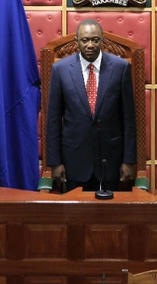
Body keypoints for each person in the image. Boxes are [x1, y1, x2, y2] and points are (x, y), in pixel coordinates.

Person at [46, 19, 137, 192]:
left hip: (111, 163)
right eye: (85, 40)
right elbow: (53, 120)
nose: (90, 45)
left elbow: (129, 120)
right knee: (75, 217)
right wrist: (55, 162)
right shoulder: (60, 70)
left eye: (95, 40)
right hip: (74, 162)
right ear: (77, 41)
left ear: (102, 40)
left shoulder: (120, 68)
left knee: (110, 216)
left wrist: (128, 160)